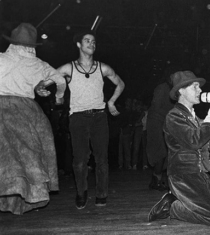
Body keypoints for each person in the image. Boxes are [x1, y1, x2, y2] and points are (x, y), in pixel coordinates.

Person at [39, 30, 125, 209]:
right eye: (87, 41)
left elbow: (120, 83)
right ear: (79, 45)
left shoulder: (103, 68)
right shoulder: (68, 68)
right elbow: (43, 82)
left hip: (99, 117)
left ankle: (101, 194)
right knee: (79, 160)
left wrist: (111, 102)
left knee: (102, 159)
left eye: (93, 41)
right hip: (78, 118)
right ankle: (81, 192)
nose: (91, 44)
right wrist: (42, 89)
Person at [147, 71, 210, 226]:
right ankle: (172, 207)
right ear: (181, 91)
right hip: (183, 176)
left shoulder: (193, 117)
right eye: (195, 87)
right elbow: (194, 141)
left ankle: (177, 200)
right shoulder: (173, 117)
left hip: (199, 174)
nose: (200, 90)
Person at [0, 23, 66, 214]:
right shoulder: (38, 64)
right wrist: (58, 97)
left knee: (6, 157)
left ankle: (9, 201)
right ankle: (27, 197)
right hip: (26, 110)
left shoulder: (2, 58)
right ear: (32, 46)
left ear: (12, 42)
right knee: (29, 155)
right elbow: (60, 80)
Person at [146, 68, 176, 191]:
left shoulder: (173, 90)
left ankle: (157, 180)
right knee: (160, 152)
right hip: (156, 123)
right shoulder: (162, 88)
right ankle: (156, 179)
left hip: (166, 122)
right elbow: (156, 107)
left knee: (168, 152)